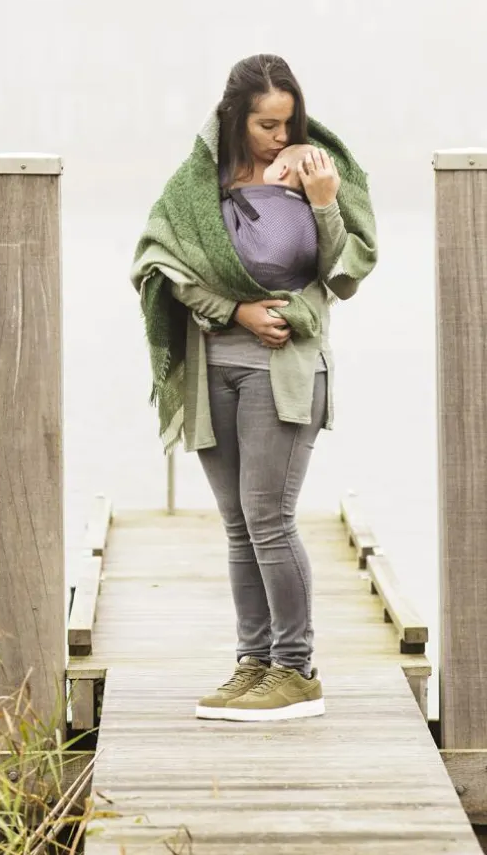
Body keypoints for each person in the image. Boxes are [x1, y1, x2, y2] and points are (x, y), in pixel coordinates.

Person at [130, 54, 378, 722]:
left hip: (286, 370)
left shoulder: (319, 172)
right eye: (266, 124)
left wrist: (323, 207)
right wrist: (232, 311)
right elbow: (161, 261)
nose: (279, 136)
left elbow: (345, 274)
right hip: (213, 364)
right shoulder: (197, 183)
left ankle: (296, 671)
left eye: (287, 122)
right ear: (234, 118)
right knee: (239, 526)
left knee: (270, 520)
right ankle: (255, 663)